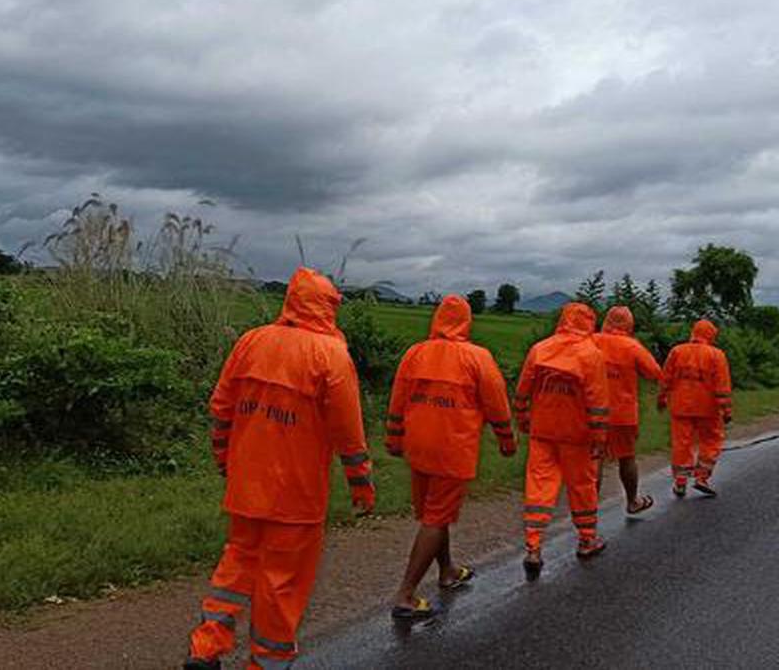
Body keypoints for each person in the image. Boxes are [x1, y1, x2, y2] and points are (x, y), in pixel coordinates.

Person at [185, 267, 375, 670]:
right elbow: (348, 432)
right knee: (281, 583)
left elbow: (221, 409)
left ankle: (206, 647)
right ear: (326, 307)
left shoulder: (250, 342)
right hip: (296, 495)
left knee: (237, 564)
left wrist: (225, 460)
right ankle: (266, 663)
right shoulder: (331, 356)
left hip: (247, 485)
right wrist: (362, 484)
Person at [384, 294, 515, 620]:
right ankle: (405, 594)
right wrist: (506, 439)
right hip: (452, 448)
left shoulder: (415, 353)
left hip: (418, 445)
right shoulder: (477, 357)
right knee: (436, 518)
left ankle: (447, 571)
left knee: (433, 513)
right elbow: (497, 403)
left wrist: (393, 438)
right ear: (466, 321)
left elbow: (398, 399)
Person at [514, 302, 611, 579]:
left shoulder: (540, 349)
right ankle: (587, 540)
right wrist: (599, 437)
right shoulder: (591, 354)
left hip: (542, 430)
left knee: (539, 487)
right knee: (582, 486)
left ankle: (533, 548)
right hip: (576, 434)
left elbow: (523, 390)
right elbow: (597, 402)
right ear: (588, 323)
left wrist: (522, 419)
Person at [593, 306, 663, 514]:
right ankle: (633, 501)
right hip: (623, 414)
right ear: (629, 324)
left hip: (593, 412)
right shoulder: (632, 347)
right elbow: (654, 373)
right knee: (627, 457)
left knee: (594, 459)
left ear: (607, 321)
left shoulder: (591, 340)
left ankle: (588, 510)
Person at [658, 319, 733, 497]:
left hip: (681, 407)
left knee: (681, 444)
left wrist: (661, 398)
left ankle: (680, 482)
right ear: (711, 335)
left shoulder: (677, 351)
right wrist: (727, 410)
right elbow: (722, 386)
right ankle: (702, 478)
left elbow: (665, 377)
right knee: (711, 441)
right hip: (708, 409)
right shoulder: (716, 355)